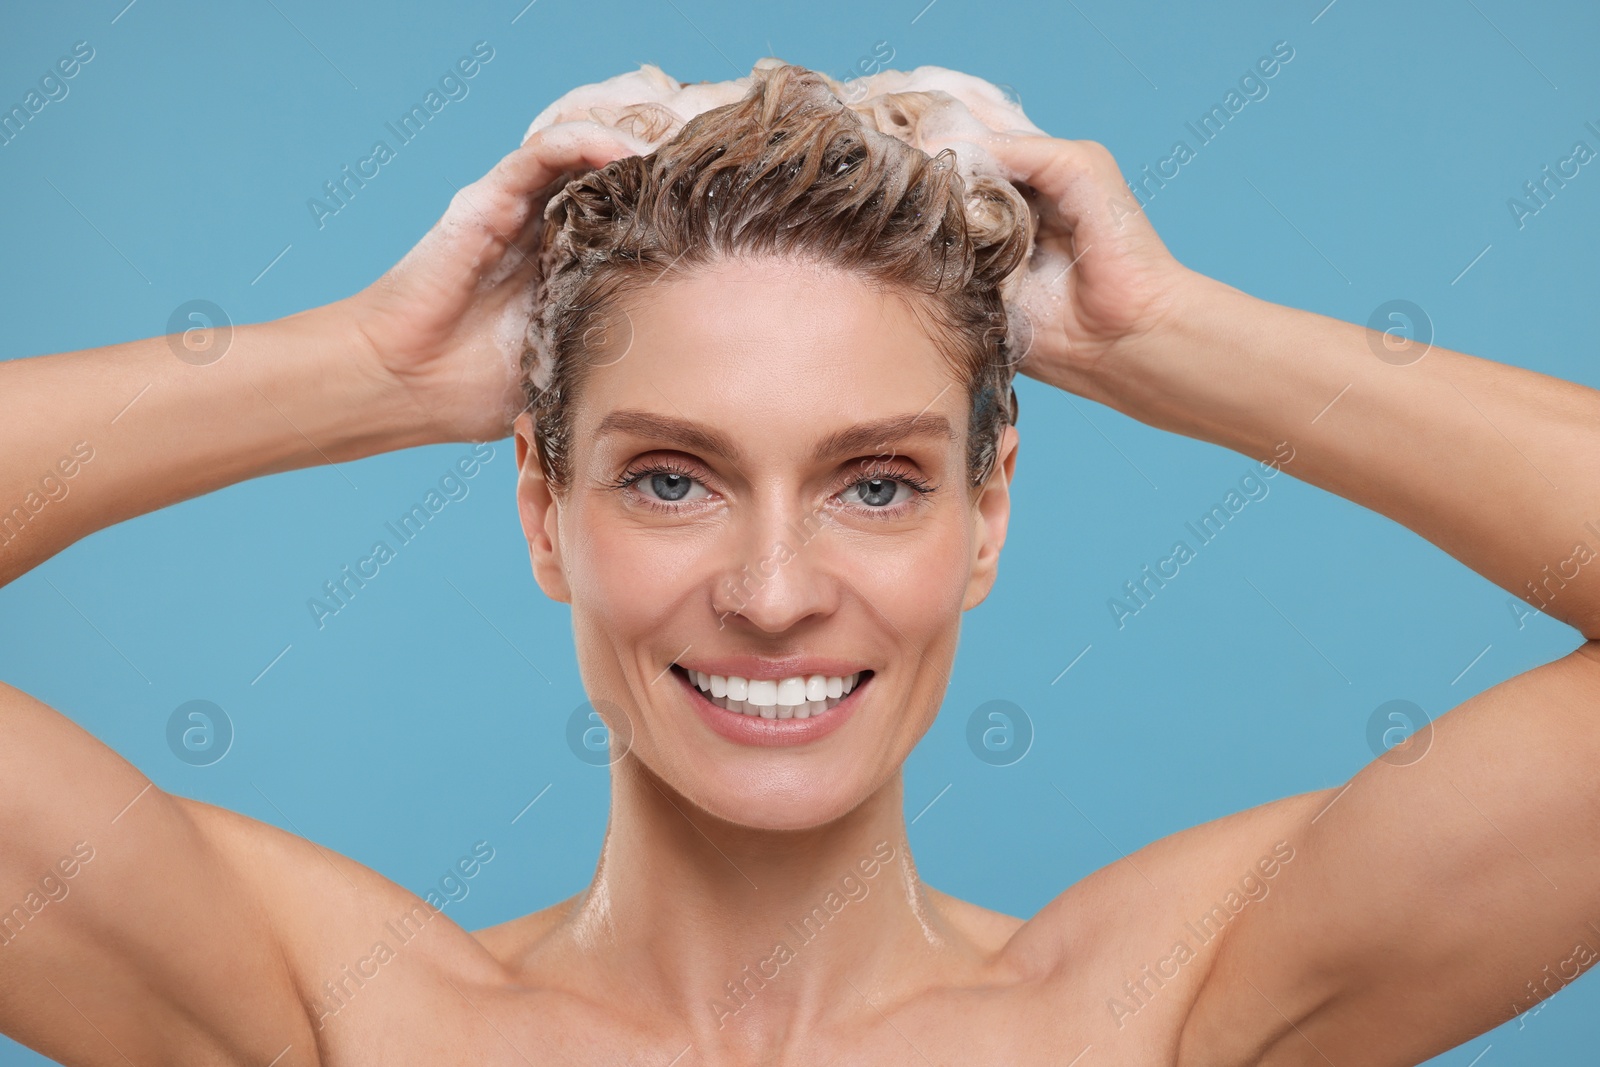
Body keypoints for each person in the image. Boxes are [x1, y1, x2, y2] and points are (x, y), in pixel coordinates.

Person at [2, 60, 1598, 1067]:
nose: (773, 592)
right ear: (544, 507)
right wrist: (361, 364)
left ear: (992, 514)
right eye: (674, 478)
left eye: (880, 483)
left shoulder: (1161, 1019)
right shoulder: (343, 1022)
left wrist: (1162, 336)